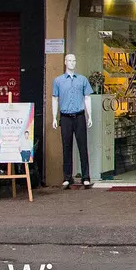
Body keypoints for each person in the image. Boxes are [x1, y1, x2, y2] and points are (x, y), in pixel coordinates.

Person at [52, 53, 94, 189]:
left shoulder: (82, 80)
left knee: (82, 146)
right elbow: (55, 99)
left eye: (74, 61)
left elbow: (87, 98)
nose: (72, 63)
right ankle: (67, 177)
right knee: (66, 146)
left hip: (80, 116)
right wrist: (54, 117)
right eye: (69, 60)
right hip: (65, 117)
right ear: (65, 62)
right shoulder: (58, 81)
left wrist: (90, 115)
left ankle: (86, 176)